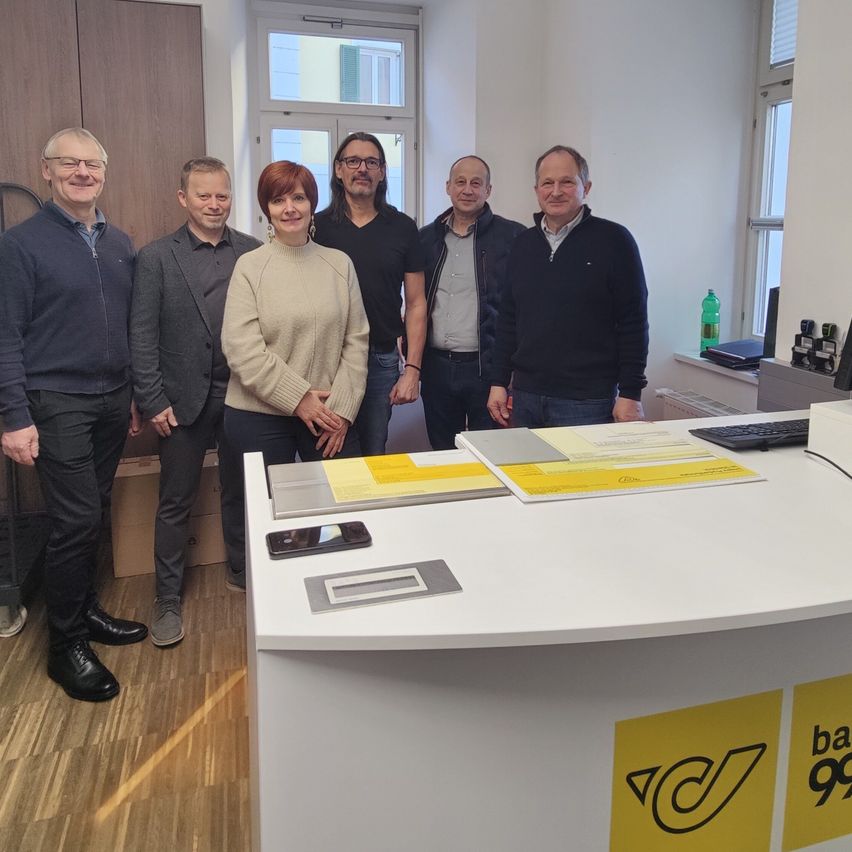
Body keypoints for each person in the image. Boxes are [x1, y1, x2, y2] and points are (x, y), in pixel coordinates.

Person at [0, 128, 147, 702]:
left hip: (113, 398)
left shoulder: (119, 242)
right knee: (76, 521)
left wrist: (134, 392)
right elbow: (6, 335)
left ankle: (85, 613)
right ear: (46, 171)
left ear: (104, 173)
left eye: (92, 164)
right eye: (70, 164)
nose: (82, 173)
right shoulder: (21, 244)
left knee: (95, 510)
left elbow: (127, 327)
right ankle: (65, 648)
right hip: (55, 401)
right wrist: (13, 416)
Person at [130, 157, 262, 648]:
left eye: (222, 195)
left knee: (241, 489)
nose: (214, 204)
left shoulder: (251, 252)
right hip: (180, 401)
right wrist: (152, 396)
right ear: (183, 198)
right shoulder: (156, 257)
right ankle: (167, 597)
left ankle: (242, 569)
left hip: (243, 396)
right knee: (175, 500)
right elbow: (141, 335)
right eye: (203, 195)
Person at [487, 145, 649, 428]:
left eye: (567, 182)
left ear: (585, 187)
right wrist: (499, 381)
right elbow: (508, 320)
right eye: (547, 183)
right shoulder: (523, 245)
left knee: (584, 475)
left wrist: (630, 393)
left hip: (586, 402)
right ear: (537, 189)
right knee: (527, 473)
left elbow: (633, 322)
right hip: (526, 396)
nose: (556, 191)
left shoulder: (615, 241)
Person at [222, 161, 368, 467]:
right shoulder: (249, 267)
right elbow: (242, 349)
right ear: (267, 209)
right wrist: (299, 398)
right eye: (278, 200)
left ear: (312, 205)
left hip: (329, 412)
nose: (290, 208)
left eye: (298, 198)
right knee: (259, 511)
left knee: (347, 508)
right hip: (258, 415)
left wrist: (342, 409)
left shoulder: (340, 265)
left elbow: (356, 341)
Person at [313, 132, 426, 456]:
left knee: (373, 452)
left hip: (381, 359)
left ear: (382, 171)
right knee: (327, 453)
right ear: (338, 169)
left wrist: (413, 371)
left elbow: (416, 303)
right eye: (353, 161)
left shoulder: (403, 227)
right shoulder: (316, 228)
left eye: (371, 162)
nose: (362, 168)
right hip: (328, 361)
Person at [418, 155, 524, 449]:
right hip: (436, 367)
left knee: (491, 453)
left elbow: (522, 307)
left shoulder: (514, 237)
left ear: (488, 190)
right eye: (460, 182)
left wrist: (510, 375)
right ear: (448, 187)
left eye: (476, 183)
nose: (467, 189)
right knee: (442, 451)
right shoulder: (426, 239)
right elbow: (416, 303)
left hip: (487, 368)